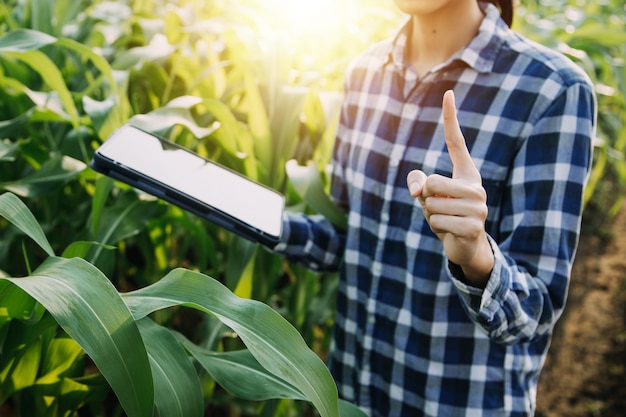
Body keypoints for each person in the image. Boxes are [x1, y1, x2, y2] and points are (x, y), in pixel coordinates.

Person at [270, 0, 596, 415]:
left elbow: (536, 310)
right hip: (352, 397)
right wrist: (255, 216)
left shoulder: (551, 89)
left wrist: (477, 257)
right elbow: (349, 238)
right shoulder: (365, 74)